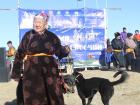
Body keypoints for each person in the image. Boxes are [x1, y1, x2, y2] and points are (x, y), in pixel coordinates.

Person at [11, 12, 70, 105]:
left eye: (39, 22)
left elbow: (59, 50)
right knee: (33, 96)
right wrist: (16, 73)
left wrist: (65, 50)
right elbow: (19, 53)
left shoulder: (52, 36)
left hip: (50, 71)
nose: (37, 24)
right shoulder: (28, 35)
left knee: (53, 95)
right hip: (32, 72)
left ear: (45, 24)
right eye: (35, 21)